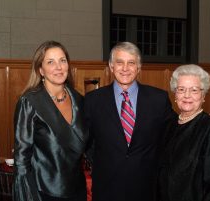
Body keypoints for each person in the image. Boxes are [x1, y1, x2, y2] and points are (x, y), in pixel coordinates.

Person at [84, 41, 177, 201]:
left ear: (139, 67)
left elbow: (175, 132)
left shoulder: (158, 99)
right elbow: (86, 139)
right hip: (107, 186)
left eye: (131, 63)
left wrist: (205, 121)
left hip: (146, 186)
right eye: (119, 62)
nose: (125, 68)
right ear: (111, 66)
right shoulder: (93, 100)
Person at [13, 41, 88, 201]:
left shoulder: (80, 100)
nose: (58, 67)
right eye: (50, 62)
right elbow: (21, 161)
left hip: (78, 191)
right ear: (41, 70)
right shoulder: (30, 102)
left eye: (62, 60)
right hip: (43, 192)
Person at [157, 64, 210, 201]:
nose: (187, 95)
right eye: (181, 89)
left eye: (194, 90)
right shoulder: (169, 125)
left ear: (203, 95)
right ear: (175, 94)